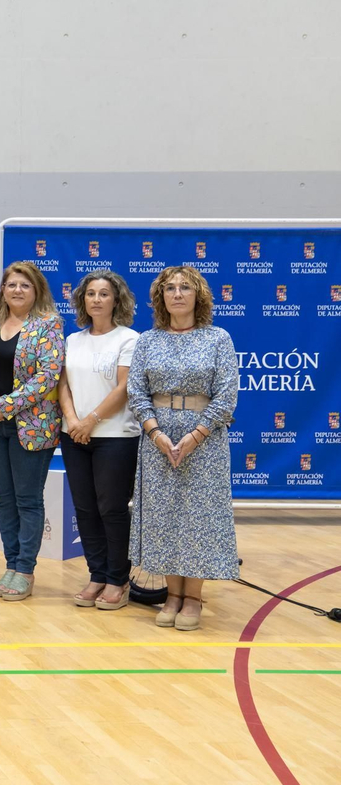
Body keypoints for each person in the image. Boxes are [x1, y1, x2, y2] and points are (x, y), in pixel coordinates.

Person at [128, 266, 239, 632]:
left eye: (185, 288)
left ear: (198, 296)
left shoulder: (218, 338)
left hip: (203, 440)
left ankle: (193, 598)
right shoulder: (147, 340)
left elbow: (226, 395)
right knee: (164, 520)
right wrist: (157, 434)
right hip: (158, 439)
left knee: (198, 520)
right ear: (161, 297)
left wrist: (195, 436)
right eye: (170, 288)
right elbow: (137, 393)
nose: (177, 294)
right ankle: (171, 596)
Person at [0, 260, 65, 602]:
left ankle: (25, 569)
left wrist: (4, 405)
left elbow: (47, 376)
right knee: (4, 500)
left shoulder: (48, 325)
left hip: (32, 427)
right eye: (11, 285)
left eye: (25, 285)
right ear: (4, 290)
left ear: (36, 289)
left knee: (28, 500)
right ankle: (11, 564)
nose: (17, 290)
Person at [58, 270, 141, 609]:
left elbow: (124, 388)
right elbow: (63, 385)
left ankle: (117, 579)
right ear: (83, 300)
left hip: (114, 436)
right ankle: (96, 574)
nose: (96, 299)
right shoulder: (73, 340)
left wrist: (90, 420)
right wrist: (74, 421)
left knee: (111, 509)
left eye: (103, 294)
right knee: (86, 509)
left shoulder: (129, 339)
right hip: (74, 434)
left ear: (116, 300)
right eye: (90, 293)